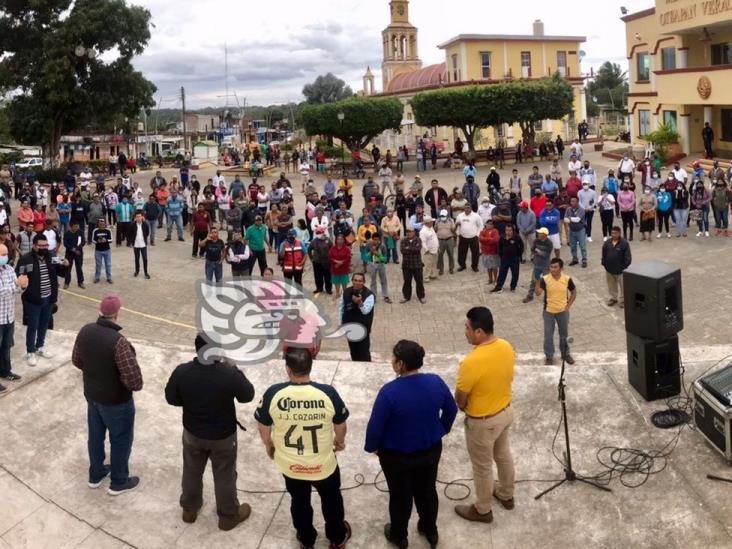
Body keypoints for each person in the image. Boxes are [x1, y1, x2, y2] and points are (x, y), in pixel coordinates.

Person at [255, 348, 351, 549]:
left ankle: (306, 540)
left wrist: (269, 444)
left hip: (291, 466)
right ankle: (337, 537)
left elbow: (263, 426)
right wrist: (339, 441)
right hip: (323, 466)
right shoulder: (327, 393)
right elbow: (340, 425)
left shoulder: (274, 393)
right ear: (311, 366)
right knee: (332, 501)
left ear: (288, 370)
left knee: (299, 502)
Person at [365, 340, 457, 548]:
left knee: (400, 496)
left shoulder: (389, 392)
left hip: (396, 456)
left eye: (394, 359)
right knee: (427, 491)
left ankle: (399, 535)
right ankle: (429, 529)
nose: (392, 362)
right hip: (430, 450)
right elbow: (451, 410)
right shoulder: (436, 382)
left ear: (401, 365)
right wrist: (440, 430)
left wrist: (374, 447)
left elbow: (375, 428)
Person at [165, 334, 255, 530]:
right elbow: (247, 395)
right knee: (224, 475)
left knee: (191, 470)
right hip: (223, 436)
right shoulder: (227, 374)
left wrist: (189, 404)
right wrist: (234, 368)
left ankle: (189, 509)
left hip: (193, 433)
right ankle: (228, 515)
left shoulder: (182, 372)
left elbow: (171, 398)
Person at [72, 294, 142, 494]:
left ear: (100, 312)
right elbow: (135, 381)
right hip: (115, 401)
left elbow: (77, 360)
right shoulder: (118, 342)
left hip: (92, 396)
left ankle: (96, 474)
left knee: (95, 436)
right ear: (117, 315)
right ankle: (119, 480)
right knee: (121, 438)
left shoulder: (85, 331)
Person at [454, 307, 516, 524]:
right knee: (503, 454)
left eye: (467, 328)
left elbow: (460, 399)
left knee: (482, 467)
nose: (465, 332)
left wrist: (465, 408)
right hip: (506, 412)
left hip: (483, 422)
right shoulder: (507, 346)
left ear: (479, 332)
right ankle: (506, 495)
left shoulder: (471, 362)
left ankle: (482, 509)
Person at [16, 234, 67, 366]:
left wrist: (66, 265)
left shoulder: (51, 257)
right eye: (41, 246)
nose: (44, 248)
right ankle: (30, 351)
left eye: (46, 245)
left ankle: (40, 347)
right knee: (33, 326)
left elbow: (61, 272)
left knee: (44, 324)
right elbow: (19, 275)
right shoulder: (26, 259)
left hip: (49, 299)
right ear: (34, 246)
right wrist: (23, 286)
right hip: (33, 300)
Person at [535, 258, 576, 365]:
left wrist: (568, 305)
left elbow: (574, 292)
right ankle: (549, 356)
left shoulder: (567, 279)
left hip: (563, 311)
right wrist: (537, 281)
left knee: (564, 334)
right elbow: (538, 293)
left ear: (561, 268)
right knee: (548, 335)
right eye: (551, 267)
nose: (552, 269)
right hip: (548, 312)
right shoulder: (545, 279)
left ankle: (565, 354)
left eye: (555, 267)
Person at [0, 243, 28, 391]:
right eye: (2, 255)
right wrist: (16, 284)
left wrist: (22, 286)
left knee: (6, 346)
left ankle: (6, 371)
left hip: (9, 317)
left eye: (6, 255)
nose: (5, 257)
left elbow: (15, 290)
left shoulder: (9, 269)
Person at [340, 273, 374, 361]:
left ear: (364, 282)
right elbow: (341, 309)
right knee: (353, 350)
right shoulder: (346, 291)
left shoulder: (369, 295)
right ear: (352, 281)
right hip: (350, 327)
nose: (357, 283)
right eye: (355, 280)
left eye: (360, 281)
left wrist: (360, 303)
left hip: (363, 329)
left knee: (364, 351)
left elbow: (366, 311)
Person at [601, 226, 632, 308]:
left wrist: (623, 267)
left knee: (623, 287)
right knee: (611, 286)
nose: (613, 235)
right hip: (609, 270)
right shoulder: (607, 242)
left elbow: (628, 258)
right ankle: (613, 298)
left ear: (619, 233)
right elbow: (603, 254)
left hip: (621, 271)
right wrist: (604, 263)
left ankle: (623, 301)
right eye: (612, 233)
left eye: (615, 233)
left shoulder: (624, 243)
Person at [522, 228, 553, 303]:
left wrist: (538, 252)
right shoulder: (536, 241)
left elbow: (546, 255)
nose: (538, 234)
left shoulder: (549, 243)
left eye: (540, 233)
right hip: (537, 264)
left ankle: (548, 297)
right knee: (533, 281)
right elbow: (532, 250)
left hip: (546, 266)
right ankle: (530, 296)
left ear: (545, 235)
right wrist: (536, 252)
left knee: (547, 282)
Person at [491, 225, 523, 293]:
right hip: (504, 259)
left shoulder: (517, 237)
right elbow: (499, 246)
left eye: (510, 230)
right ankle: (498, 287)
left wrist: (518, 255)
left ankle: (513, 287)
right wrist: (501, 255)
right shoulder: (502, 237)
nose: (508, 232)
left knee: (515, 273)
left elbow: (521, 247)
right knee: (502, 273)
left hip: (514, 259)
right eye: (506, 230)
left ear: (512, 230)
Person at [400, 227, 425, 304]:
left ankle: (421, 296)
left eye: (410, 231)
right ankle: (406, 296)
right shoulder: (403, 240)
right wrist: (412, 249)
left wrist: (408, 248)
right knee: (407, 281)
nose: (409, 233)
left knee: (419, 281)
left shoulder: (418, 240)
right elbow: (402, 250)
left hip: (417, 265)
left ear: (414, 232)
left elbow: (418, 249)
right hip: (406, 266)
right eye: (407, 231)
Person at [455, 203, 482, 272]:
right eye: (466, 208)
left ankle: (474, 266)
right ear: (464, 208)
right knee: (461, 252)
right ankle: (462, 265)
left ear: (471, 208)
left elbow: (480, 226)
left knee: (475, 253)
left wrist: (477, 235)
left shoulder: (476, 216)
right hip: (463, 237)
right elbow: (457, 225)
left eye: (468, 207)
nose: (467, 209)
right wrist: (458, 233)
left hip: (473, 237)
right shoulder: (460, 216)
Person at [564, 197, 588, 268]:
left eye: (574, 201)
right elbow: (565, 219)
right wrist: (571, 219)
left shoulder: (581, 210)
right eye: (571, 201)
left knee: (582, 246)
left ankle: (584, 260)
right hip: (572, 230)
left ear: (577, 202)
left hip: (580, 230)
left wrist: (569, 218)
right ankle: (575, 259)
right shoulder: (568, 209)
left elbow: (577, 219)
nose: (572, 203)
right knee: (573, 246)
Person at [308, 226, 333, 294]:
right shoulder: (314, 241)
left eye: (319, 232)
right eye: (317, 233)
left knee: (327, 276)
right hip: (317, 261)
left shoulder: (328, 240)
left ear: (323, 232)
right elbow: (309, 249)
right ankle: (319, 288)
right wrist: (311, 258)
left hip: (326, 261)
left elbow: (332, 249)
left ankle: (328, 289)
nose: (318, 234)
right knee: (318, 276)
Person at [126, 212, 151, 279]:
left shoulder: (145, 224)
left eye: (139, 216)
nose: (138, 218)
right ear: (135, 218)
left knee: (145, 259)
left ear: (142, 217)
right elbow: (129, 234)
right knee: (137, 259)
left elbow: (147, 233)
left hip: (143, 245)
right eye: (137, 216)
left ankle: (146, 272)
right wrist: (131, 242)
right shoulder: (132, 225)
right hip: (136, 245)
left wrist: (144, 239)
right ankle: (137, 271)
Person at [63, 220, 85, 289]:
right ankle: (66, 283)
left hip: (79, 253)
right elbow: (65, 243)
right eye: (75, 226)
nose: (76, 228)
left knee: (79, 268)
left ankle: (80, 282)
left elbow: (83, 242)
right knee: (68, 268)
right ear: (71, 227)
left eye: (77, 226)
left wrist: (78, 249)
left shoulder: (80, 232)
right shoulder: (67, 233)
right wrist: (72, 249)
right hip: (69, 253)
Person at [92, 218, 113, 284]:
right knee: (98, 265)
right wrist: (97, 241)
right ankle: (97, 278)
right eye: (100, 224)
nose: (101, 226)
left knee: (108, 264)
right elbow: (93, 240)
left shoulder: (108, 230)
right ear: (98, 224)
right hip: (98, 251)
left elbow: (111, 240)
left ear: (105, 224)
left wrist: (106, 240)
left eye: (103, 224)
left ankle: (109, 278)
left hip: (107, 250)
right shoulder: (95, 230)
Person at [479, 219, 500, 285]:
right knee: (488, 267)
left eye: (491, 224)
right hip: (485, 252)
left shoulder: (495, 231)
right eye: (488, 224)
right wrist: (489, 239)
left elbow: (496, 240)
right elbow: (480, 239)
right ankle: (490, 279)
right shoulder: (482, 231)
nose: (489, 225)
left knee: (494, 267)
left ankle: (495, 280)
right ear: (485, 224)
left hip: (493, 252)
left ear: (493, 225)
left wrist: (486, 241)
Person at [420, 215, 438, 281]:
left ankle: (432, 274)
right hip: (428, 251)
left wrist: (437, 246)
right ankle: (426, 277)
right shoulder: (423, 231)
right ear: (427, 223)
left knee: (433, 263)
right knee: (427, 264)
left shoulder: (431, 228)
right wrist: (426, 249)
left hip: (434, 249)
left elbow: (434, 237)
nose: (432, 222)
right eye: (431, 222)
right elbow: (423, 242)